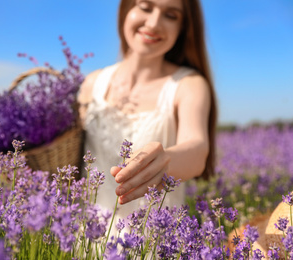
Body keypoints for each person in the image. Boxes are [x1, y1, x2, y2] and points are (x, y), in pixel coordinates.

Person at [78, 0, 217, 221]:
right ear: (126, 9)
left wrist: (165, 160)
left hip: (153, 241)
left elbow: (197, 150)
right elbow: (70, 154)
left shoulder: (188, 85)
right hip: (85, 238)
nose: (153, 24)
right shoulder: (92, 83)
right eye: (145, 7)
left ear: (183, 28)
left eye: (171, 16)